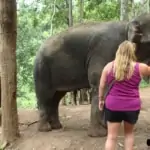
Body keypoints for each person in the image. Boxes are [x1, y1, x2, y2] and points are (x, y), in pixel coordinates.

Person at [98, 40, 150, 150]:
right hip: (132, 106)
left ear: (118, 51)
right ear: (132, 52)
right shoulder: (140, 67)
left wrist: (101, 100)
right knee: (129, 134)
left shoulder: (108, 66)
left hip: (113, 105)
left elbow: (102, 85)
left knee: (111, 137)